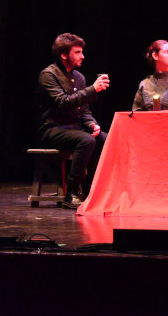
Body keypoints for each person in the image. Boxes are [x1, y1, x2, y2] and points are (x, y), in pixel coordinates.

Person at [36, 33, 110, 209]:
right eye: (77, 52)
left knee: (105, 138)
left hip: (74, 128)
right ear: (64, 55)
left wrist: (92, 123)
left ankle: (90, 190)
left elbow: (84, 109)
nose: (82, 56)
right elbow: (63, 102)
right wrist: (93, 89)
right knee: (86, 140)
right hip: (52, 129)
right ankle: (72, 193)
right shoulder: (48, 75)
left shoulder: (79, 77)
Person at [132, 40, 168, 111]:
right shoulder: (144, 84)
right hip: (148, 121)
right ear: (155, 56)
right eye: (166, 52)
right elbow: (136, 111)